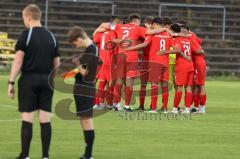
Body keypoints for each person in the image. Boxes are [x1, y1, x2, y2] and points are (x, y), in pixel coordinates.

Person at [7, 4, 60, 159]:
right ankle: (45, 156)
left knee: (27, 118)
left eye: (24, 18)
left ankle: (25, 155)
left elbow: (18, 60)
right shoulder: (51, 36)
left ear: (28, 17)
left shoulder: (26, 35)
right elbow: (57, 63)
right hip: (47, 79)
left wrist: (11, 82)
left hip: (29, 79)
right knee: (45, 119)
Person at [68, 26, 100, 159]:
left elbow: (87, 74)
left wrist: (77, 63)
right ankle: (86, 154)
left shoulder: (91, 50)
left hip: (85, 88)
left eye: (75, 43)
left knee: (87, 121)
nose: (76, 46)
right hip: (83, 88)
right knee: (84, 120)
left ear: (79, 39)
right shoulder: (91, 49)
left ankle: (88, 155)